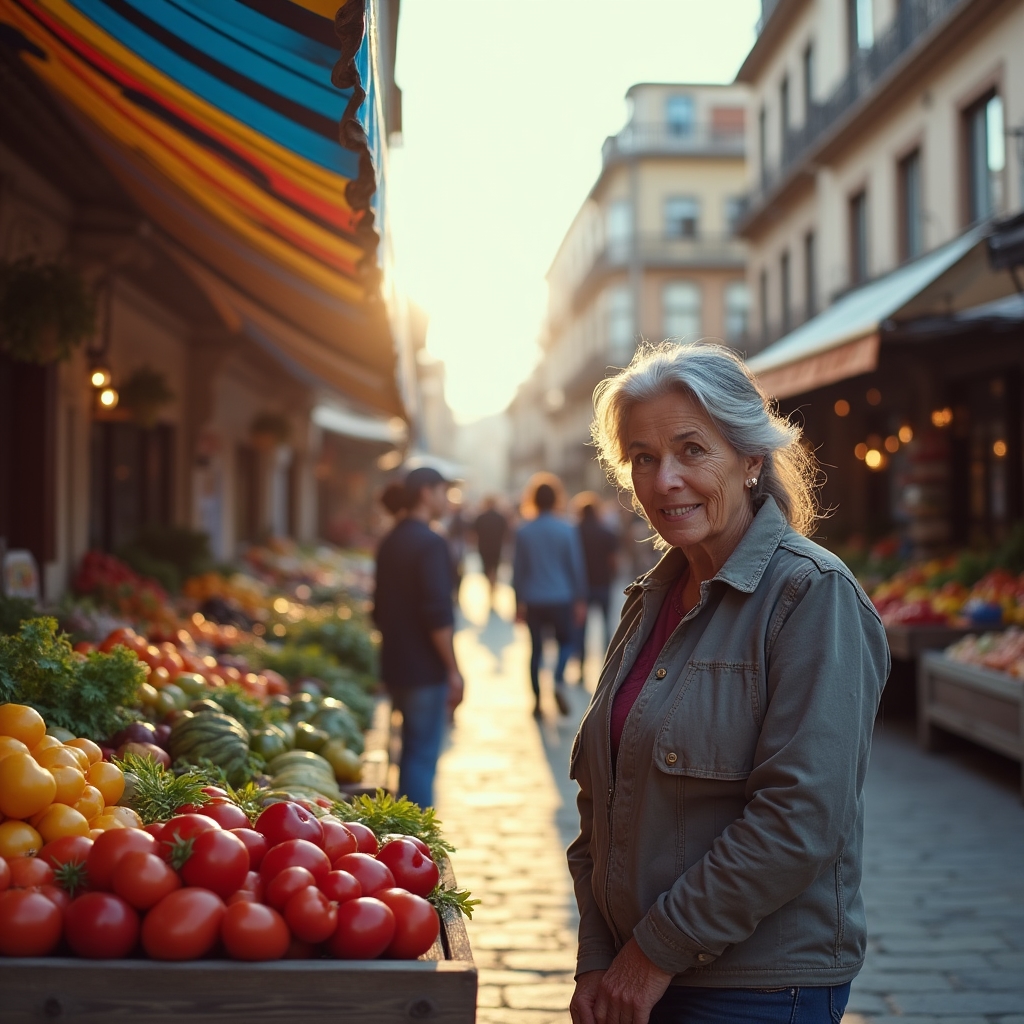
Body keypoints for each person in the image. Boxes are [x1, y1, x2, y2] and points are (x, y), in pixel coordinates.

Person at [567, 342, 889, 1024]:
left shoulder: (811, 595)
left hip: (756, 988)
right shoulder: (650, 600)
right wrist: (598, 955)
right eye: (644, 458)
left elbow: (798, 821)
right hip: (637, 980)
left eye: (691, 450)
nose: (664, 481)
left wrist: (651, 954)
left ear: (749, 459)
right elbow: (602, 803)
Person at [373, 467, 464, 809]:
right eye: (444, 491)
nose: (447, 499)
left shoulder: (390, 539)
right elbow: (437, 614)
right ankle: (415, 841)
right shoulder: (431, 542)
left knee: (408, 752)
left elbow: (379, 611)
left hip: (395, 664)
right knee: (420, 758)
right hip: (425, 669)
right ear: (426, 493)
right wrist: (453, 669)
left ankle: (404, 833)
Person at [513, 475, 587, 718]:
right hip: (561, 597)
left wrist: (518, 604)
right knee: (565, 643)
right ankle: (557, 678)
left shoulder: (524, 531)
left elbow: (518, 571)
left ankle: (536, 703)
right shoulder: (566, 529)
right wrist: (580, 599)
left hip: (533, 599)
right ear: (556, 498)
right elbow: (575, 567)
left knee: (536, 651)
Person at [575, 498, 619, 670]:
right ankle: (607, 664)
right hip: (603, 584)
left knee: (581, 628)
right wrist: (611, 576)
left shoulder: (575, 532)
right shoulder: (607, 533)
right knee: (606, 624)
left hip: (582, 587)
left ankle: (581, 666)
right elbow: (613, 561)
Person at [473, 496, 509, 604]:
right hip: (496, 547)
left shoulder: (481, 517)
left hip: (484, 547)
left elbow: (474, 533)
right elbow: (506, 533)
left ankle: (491, 587)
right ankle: (492, 587)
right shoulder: (500, 517)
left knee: (487, 568)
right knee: (494, 568)